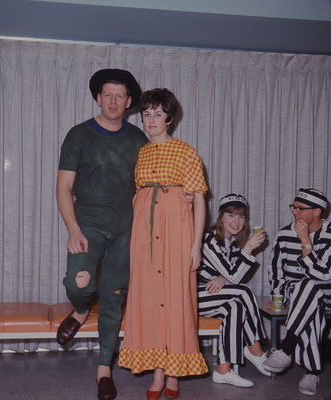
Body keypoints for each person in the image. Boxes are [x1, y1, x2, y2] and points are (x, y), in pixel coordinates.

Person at [55, 68, 148, 400]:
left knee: (113, 299)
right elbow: (64, 187)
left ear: (129, 102)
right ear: (98, 97)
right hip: (87, 226)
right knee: (77, 283)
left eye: (119, 95)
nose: (113, 100)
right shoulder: (78, 135)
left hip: (125, 229)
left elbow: (149, 186)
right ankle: (80, 310)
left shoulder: (139, 139)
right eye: (107, 94)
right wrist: (73, 230)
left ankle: (104, 370)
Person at [118, 88, 209, 400]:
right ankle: (157, 371)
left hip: (177, 233)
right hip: (144, 236)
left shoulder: (186, 152)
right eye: (146, 113)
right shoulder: (141, 152)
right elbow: (139, 195)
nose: (151, 120)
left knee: (175, 297)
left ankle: (173, 374)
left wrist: (196, 245)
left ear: (170, 117)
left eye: (158, 114)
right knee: (148, 300)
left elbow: (198, 200)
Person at [197, 193, 271, 387]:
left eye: (241, 216)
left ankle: (223, 369)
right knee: (243, 292)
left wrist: (223, 277)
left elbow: (231, 275)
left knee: (235, 307)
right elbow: (235, 278)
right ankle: (255, 348)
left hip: (215, 297)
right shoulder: (209, 239)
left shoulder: (233, 243)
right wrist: (248, 249)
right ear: (221, 217)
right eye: (231, 215)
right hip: (193, 297)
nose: (237, 221)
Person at [263, 188, 331, 396]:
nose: (295, 212)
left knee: (308, 284)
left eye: (301, 208)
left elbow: (322, 274)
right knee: (307, 296)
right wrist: (278, 297)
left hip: (327, 293)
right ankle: (311, 372)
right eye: (294, 207)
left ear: (317, 211)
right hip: (298, 297)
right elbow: (276, 269)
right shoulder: (284, 234)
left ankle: (285, 348)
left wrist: (305, 241)